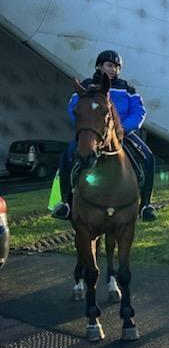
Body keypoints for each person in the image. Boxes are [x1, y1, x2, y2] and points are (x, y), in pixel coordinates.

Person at [50, 50, 158, 223]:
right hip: (92, 134)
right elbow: (74, 109)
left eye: (116, 67)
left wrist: (122, 128)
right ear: (99, 66)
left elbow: (139, 112)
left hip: (123, 134)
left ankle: (146, 205)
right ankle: (66, 203)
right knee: (68, 156)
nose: (113, 69)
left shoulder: (128, 88)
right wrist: (88, 128)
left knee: (148, 157)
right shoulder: (85, 85)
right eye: (109, 65)